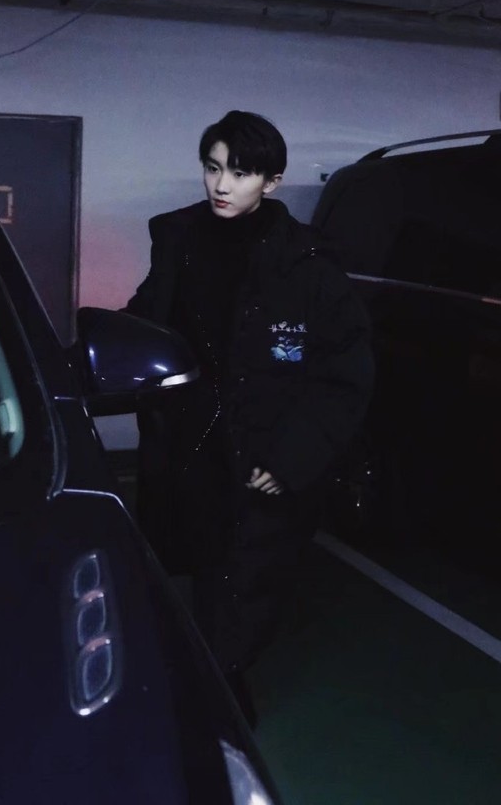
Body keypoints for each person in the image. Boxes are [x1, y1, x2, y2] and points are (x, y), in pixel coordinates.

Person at [122, 110, 374, 723]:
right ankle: (195, 675)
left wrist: (291, 459)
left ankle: (224, 684)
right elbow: (144, 320)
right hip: (186, 438)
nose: (221, 185)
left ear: (272, 180)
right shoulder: (179, 242)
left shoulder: (308, 267)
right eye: (213, 168)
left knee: (246, 572)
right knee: (183, 558)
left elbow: (344, 375)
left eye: (240, 172)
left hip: (260, 451)